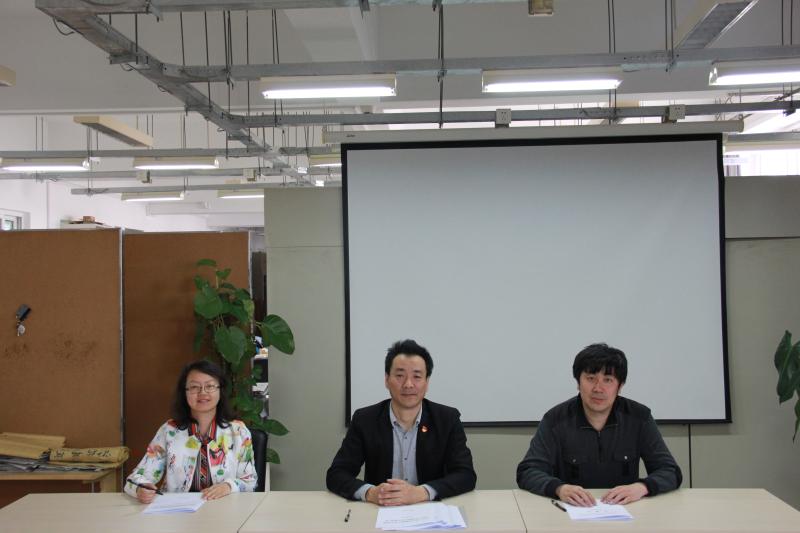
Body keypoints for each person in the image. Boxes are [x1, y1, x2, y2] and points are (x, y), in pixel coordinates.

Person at [517, 343, 682, 506]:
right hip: (570, 512)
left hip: (626, 512)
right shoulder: (555, 420)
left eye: (608, 380)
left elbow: (670, 471)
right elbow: (528, 471)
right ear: (578, 382)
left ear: (620, 386)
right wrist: (559, 489)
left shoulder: (639, 417)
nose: (598, 388)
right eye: (590, 378)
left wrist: (642, 487)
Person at [326, 339, 477, 505]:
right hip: (379, 510)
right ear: (386, 379)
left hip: (430, 510)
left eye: (417, 376)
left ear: (427, 382)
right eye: (399, 376)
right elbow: (337, 474)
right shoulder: (365, 420)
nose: (408, 384)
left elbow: (466, 475)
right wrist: (370, 493)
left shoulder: (447, 419)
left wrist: (422, 492)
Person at [124, 360, 257, 502]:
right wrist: (140, 488)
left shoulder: (238, 431)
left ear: (220, 390)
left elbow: (250, 481)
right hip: (176, 510)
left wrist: (229, 486)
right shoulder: (169, 431)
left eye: (210, 386)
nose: (202, 392)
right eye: (194, 387)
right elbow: (136, 478)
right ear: (184, 392)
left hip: (224, 508)